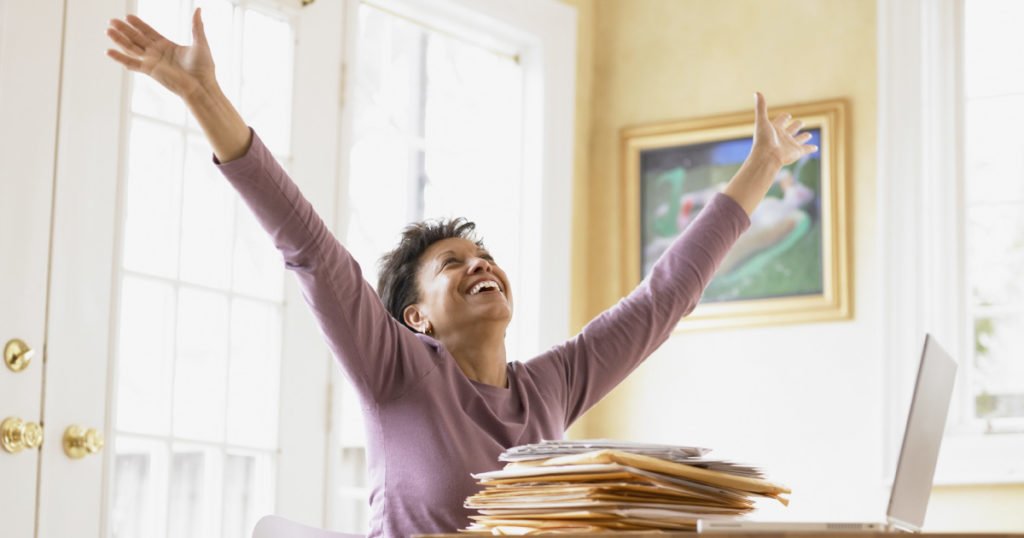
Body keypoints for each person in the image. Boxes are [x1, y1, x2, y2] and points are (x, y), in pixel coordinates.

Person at [105, 9, 816, 537]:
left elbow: (665, 298)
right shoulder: (396, 370)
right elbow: (310, 249)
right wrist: (202, 96)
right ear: (417, 318)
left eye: (485, 257)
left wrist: (759, 169)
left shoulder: (551, 386)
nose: (480, 264)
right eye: (452, 265)